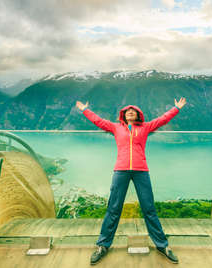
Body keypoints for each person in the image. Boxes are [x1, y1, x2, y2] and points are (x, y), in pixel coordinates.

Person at [75, 98, 187, 265]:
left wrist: (176, 108)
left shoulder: (146, 127)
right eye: (127, 111)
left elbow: (162, 119)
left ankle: (162, 246)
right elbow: (98, 121)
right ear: (123, 115)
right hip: (121, 170)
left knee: (149, 208)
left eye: (133, 111)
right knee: (113, 208)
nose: (130, 112)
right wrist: (85, 110)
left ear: (138, 115)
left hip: (141, 170)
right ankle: (103, 246)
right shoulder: (115, 127)